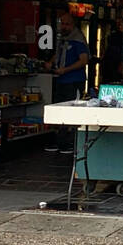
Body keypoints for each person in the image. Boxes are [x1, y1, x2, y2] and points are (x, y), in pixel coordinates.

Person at [45, 11, 90, 154]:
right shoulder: (63, 38)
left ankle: (70, 142)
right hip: (61, 80)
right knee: (59, 110)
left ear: (73, 25)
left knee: (72, 111)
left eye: (67, 24)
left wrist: (66, 70)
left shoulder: (78, 39)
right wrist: (51, 63)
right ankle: (59, 141)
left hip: (74, 80)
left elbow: (84, 60)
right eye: (62, 23)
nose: (64, 27)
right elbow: (58, 53)